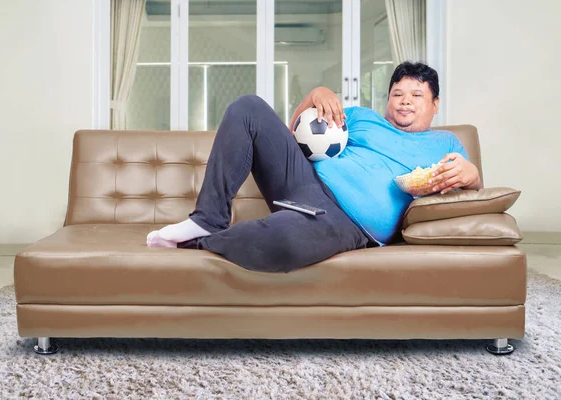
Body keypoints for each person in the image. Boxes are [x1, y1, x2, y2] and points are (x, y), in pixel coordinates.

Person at [146, 61, 483, 273]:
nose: (405, 101)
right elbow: (297, 134)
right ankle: (207, 219)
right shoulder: (362, 118)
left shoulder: (447, 143)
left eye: (416, 95)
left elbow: (475, 193)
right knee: (247, 106)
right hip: (304, 183)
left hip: (346, 223)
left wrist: (472, 176)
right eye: (397, 93)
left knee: (285, 243)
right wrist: (314, 96)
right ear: (388, 99)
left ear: (435, 104)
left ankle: (198, 245)